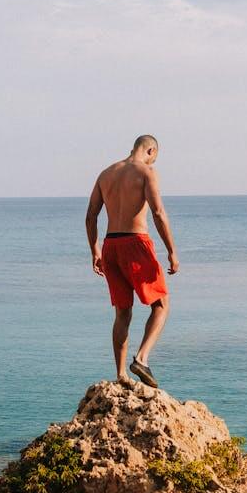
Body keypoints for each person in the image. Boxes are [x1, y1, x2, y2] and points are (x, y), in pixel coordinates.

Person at [85, 134, 179, 388]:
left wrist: (95, 250)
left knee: (122, 312)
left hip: (110, 245)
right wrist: (171, 250)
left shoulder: (106, 174)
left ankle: (120, 375)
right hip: (135, 242)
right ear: (150, 150)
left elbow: (91, 215)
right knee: (161, 305)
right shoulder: (146, 172)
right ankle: (142, 358)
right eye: (154, 157)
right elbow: (158, 213)